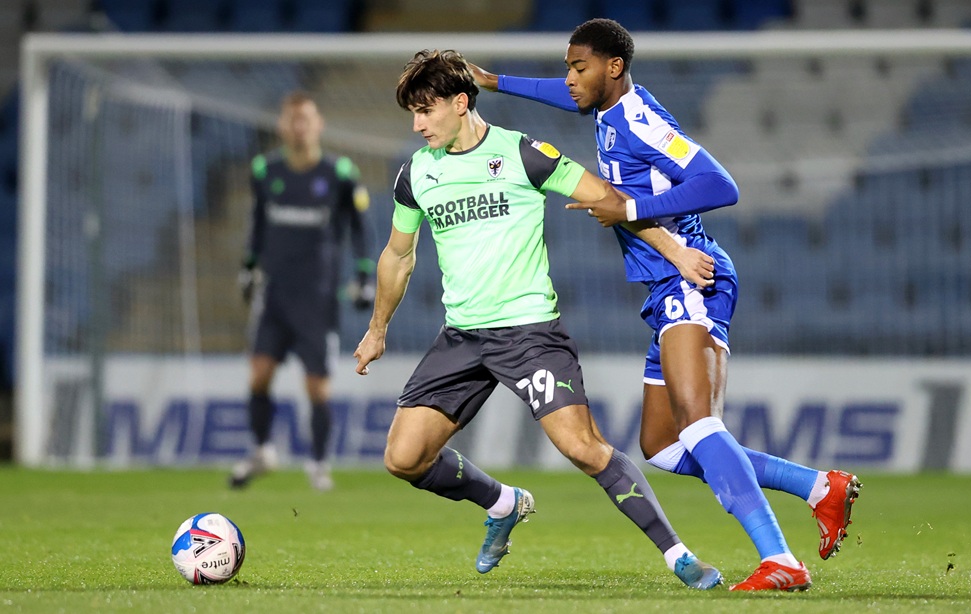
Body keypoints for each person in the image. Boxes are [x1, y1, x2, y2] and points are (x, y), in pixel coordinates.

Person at [469, 19, 862, 591]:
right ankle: (818, 488)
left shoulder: (638, 119)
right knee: (663, 444)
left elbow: (719, 184)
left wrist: (627, 213)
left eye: (579, 68)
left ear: (614, 68)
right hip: (664, 288)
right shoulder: (607, 108)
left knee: (701, 423)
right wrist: (496, 81)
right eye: (568, 68)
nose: (570, 79)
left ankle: (781, 560)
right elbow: (567, 95)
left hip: (691, 277)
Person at [353, 48, 724, 588]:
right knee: (404, 458)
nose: (417, 124)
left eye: (426, 110)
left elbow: (610, 199)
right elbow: (398, 255)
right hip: (462, 336)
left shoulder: (525, 154)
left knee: (583, 448)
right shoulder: (416, 174)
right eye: (412, 113)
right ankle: (503, 504)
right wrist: (376, 328)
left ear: (461, 103)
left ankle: (679, 556)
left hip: (529, 333)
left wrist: (676, 251)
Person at [230, 91, 375, 492]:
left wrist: (364, 273)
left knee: (317, 386)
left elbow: (361, 227)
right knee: (259, 374)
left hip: (317, 296)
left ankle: (318, 463)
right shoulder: (264, 170)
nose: (299, 126)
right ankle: (261, 450)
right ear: (282, 125)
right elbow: (257, 223)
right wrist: (248, 265)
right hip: (274, 293)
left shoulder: (339, 173)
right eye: (292, 119)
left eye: (306, 119)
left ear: (318, 125)